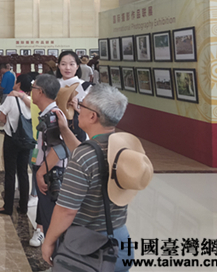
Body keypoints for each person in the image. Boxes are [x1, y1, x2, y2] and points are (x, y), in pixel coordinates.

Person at [42, 84, 152, 271]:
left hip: (92, 246)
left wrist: (49, 241)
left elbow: (66, 210)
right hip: (120, 241)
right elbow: (93, 158)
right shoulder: (122, 147)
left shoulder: (84, 157)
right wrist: (65, 130)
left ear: (93, 116)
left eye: (81, 105)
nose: (78, 108)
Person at [29, 74, 78, 248]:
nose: (31, 92)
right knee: (46, 215)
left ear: (40, 92)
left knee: (52, 220)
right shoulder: (48, 113)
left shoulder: (53, 116)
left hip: (51, 173)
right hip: (46, 169)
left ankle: (57, 256)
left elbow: (60, 149)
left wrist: (41, 173)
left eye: (33, 88)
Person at [0, 73, 33, 215]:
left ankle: (8, 207)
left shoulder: (11, 98)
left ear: (19, 84)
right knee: (23, 172)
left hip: (12, 138)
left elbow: (2, 117)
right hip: (27, 139)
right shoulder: (31, 100)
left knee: (10, 173)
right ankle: (23, 207)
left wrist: (9, 124)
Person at [56, 51, 92, 142]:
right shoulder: (53, 85)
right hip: (55, 130)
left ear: (77, 66)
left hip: (78, 131)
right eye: (63, 64)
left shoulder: (86, 87)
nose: (67, 68)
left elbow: (92, 114)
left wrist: (77, 108)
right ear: (58, 66)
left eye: (72, 64)